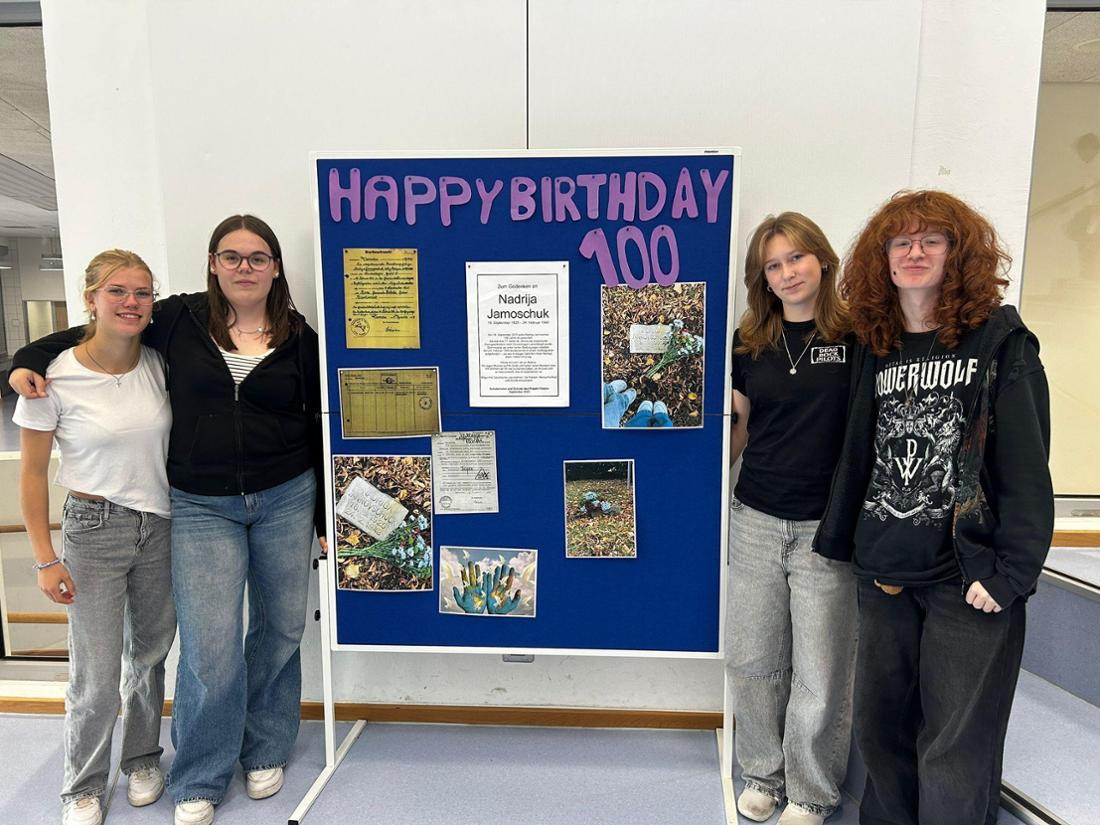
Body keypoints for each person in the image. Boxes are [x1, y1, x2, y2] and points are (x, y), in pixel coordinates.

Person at [10, 216, 326, 825]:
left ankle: (265, 748)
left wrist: (317, 513)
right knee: (209, 648)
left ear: (276, 267)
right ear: (212, 263)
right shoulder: (178, 319)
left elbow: (315, 427)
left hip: (286, 496)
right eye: (230, 256)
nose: (243, 267)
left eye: (257, 257)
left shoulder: (300, 338)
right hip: (201, 505)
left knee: (282, 630)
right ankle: (201, 773)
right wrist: (27, 355)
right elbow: (95, 332)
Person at [815, 190, 1054, 825]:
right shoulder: (879, 343)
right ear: (883, 260)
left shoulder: (1002, 343)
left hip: (966, 579)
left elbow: (1029, 469)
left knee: (954, 747)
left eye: (932, 240)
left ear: (958, 254)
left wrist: (1010, 574)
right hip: (887, 576)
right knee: (880, 731)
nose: (915, 252)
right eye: (902, 242)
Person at [16, 250, 174, 825]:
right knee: (97, 670)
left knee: (150, 656)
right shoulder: (52, 377)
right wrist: (44, 559)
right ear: (91, 299)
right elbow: (32, 475)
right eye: (117, 292)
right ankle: (81, 784)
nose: (131, 303)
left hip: (161, 526)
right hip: (93, 528)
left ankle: (141, 759)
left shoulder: (160, 363)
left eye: (142, 293)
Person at [725, 213, 857, 825]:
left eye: (797, 259)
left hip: (825, 527)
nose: (787, 273)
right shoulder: (748, 341)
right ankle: (762, 775)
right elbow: (742, 427)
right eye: (773, 265)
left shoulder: (858, 338)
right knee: (752, 657)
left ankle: (811, 791)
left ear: (822, 261)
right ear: (763, 278)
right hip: (753, 517)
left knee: (820, 667)